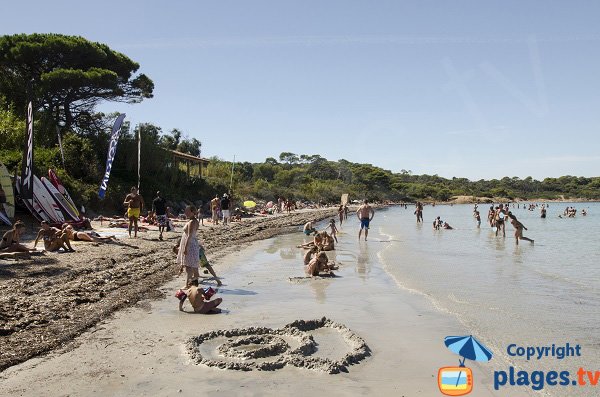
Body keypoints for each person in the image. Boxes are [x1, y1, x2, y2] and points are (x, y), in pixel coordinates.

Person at [176, 205, 222, 287]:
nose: (185, 213)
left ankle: (190, 285)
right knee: (191, 266)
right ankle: (190, 284)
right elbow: (188, 235)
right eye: (185, 211)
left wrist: (186, 248)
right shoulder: (192, 221)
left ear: (192, 212)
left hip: (191, 245)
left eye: (187, 211)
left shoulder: (192, 222)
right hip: (192, 244)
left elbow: (189, 235)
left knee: (192, 267)